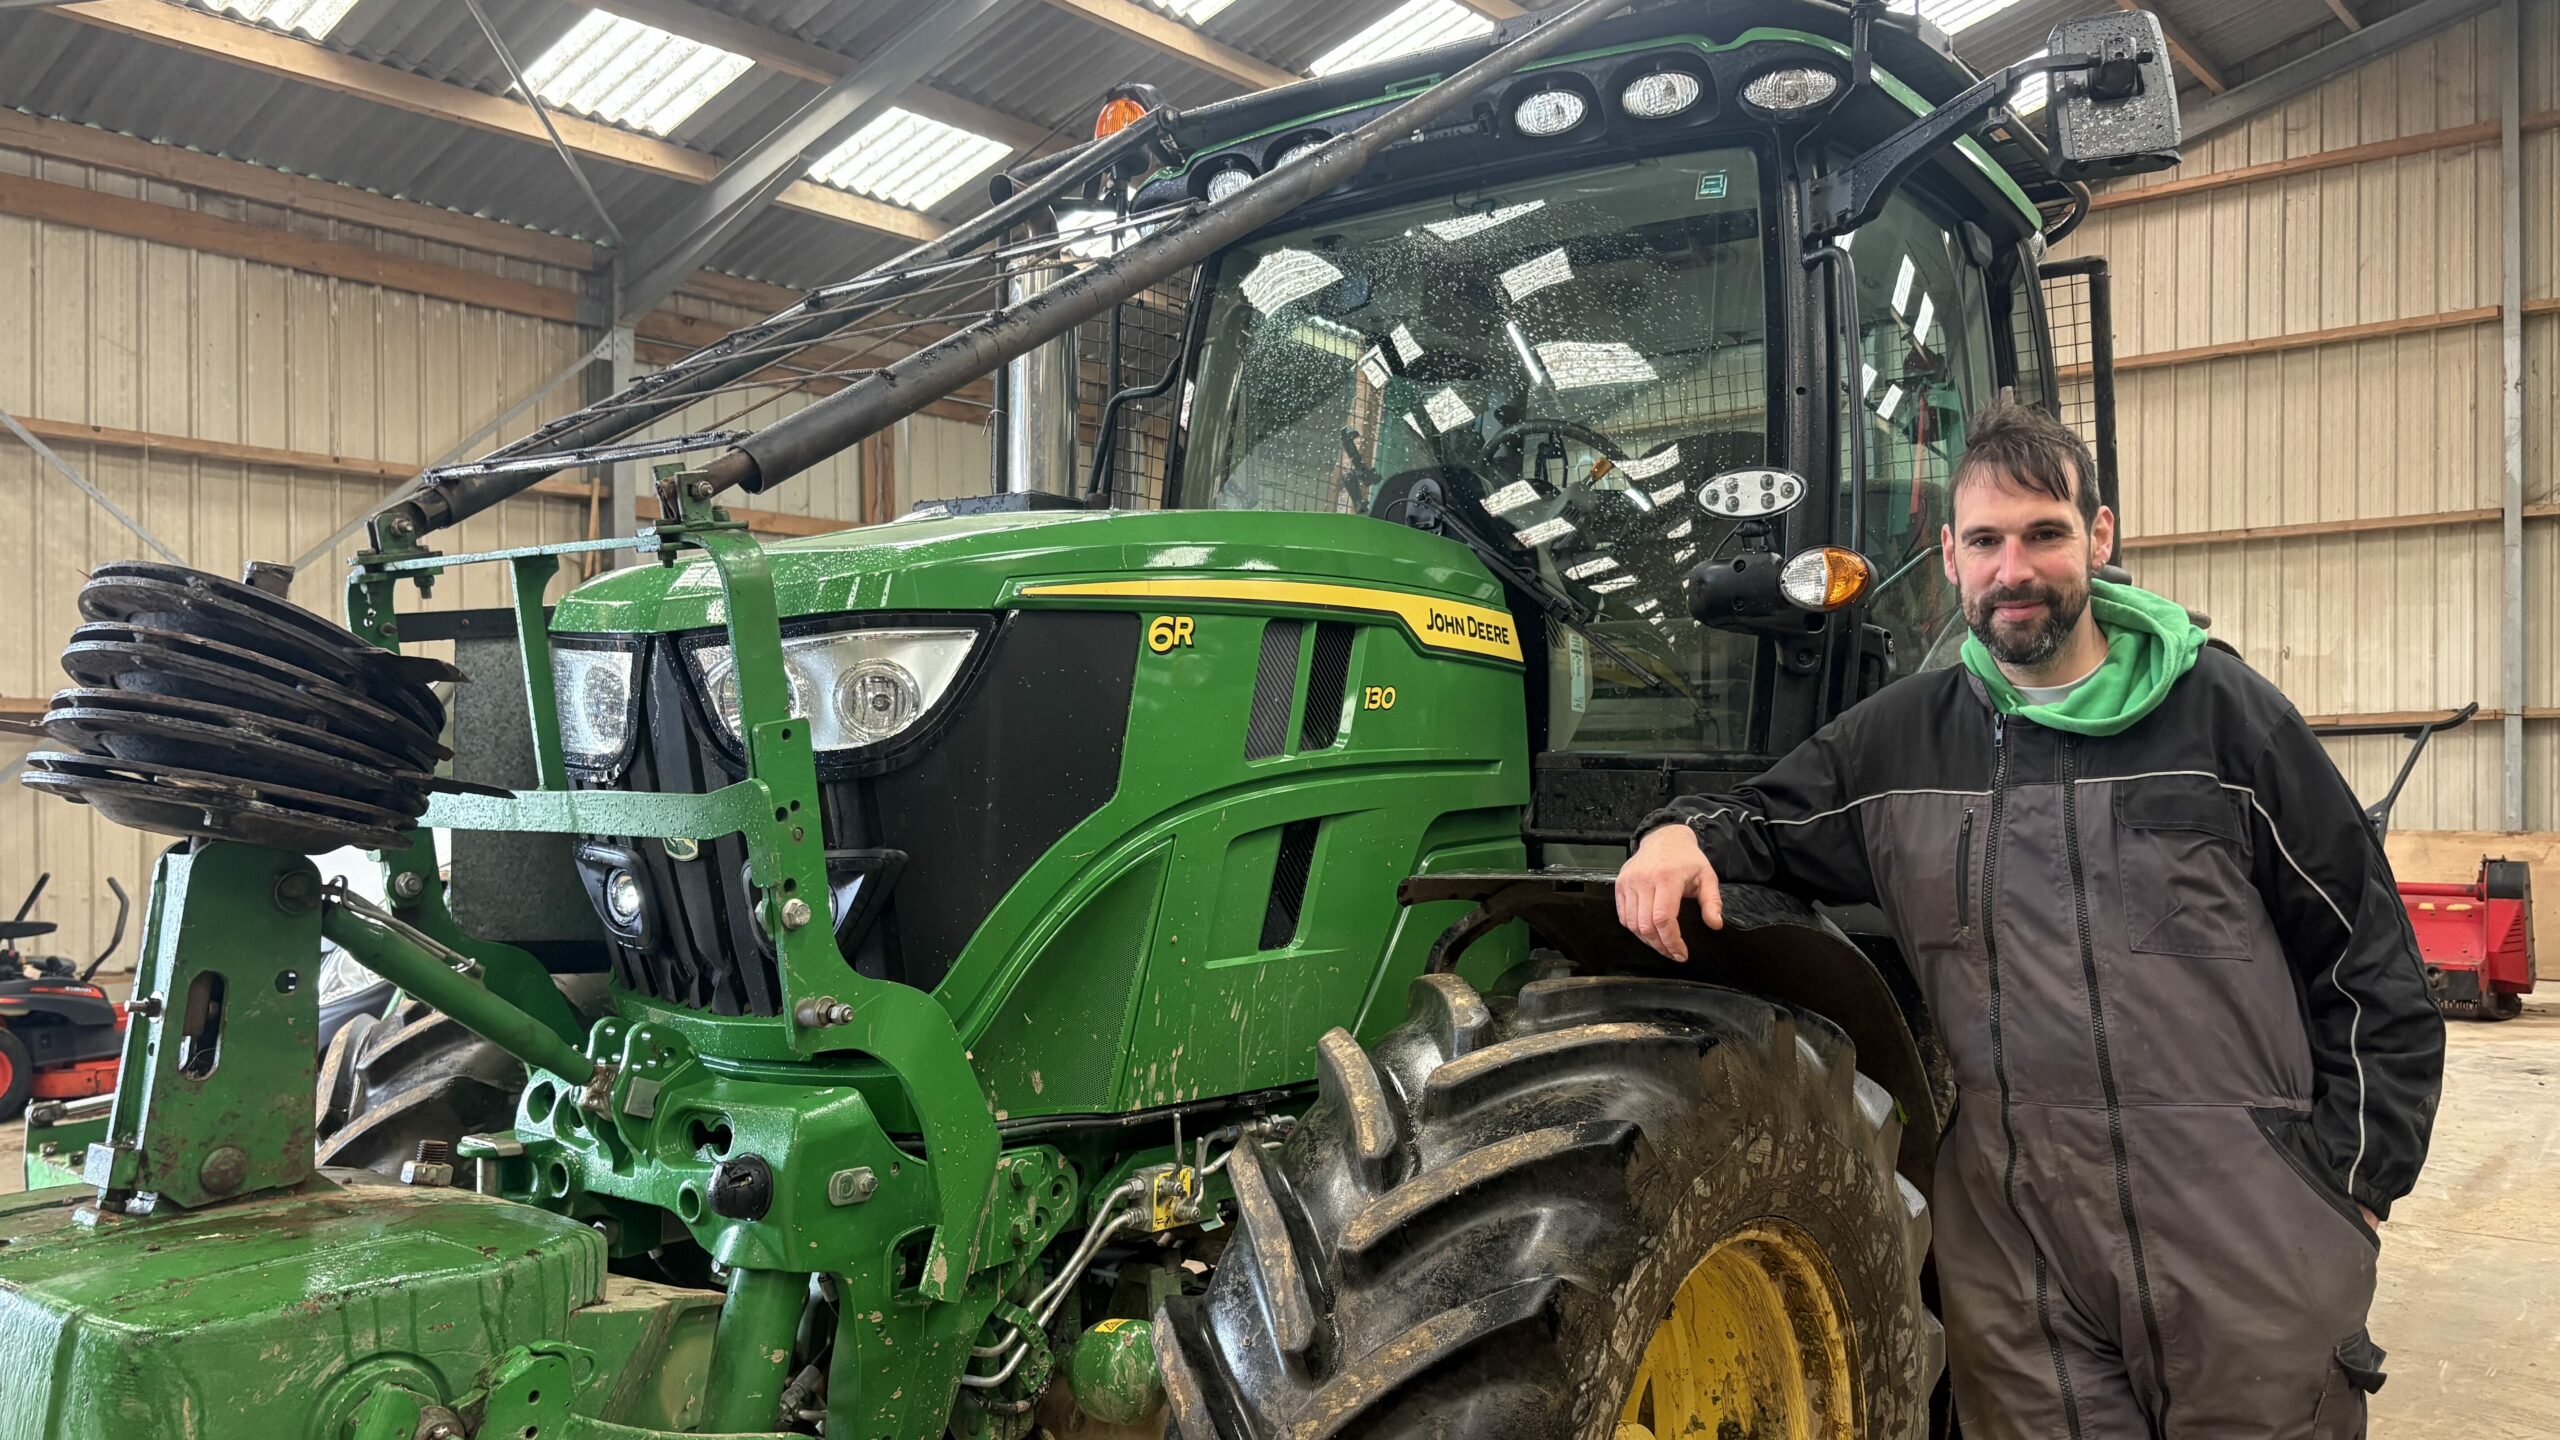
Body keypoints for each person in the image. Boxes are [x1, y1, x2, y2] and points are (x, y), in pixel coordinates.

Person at [1615, 401, 2443, 1439]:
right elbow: (1758, 821)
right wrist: (1674, 836)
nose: (2015, 568)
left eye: (2044, 533)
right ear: (1951, 560)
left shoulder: (2227, 720)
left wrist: (2352, 1188)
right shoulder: (1898, 743)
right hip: (2019, 1262)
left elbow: (2368, 959)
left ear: (2098, 538)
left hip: (2245, 1240)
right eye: (1985, 542)